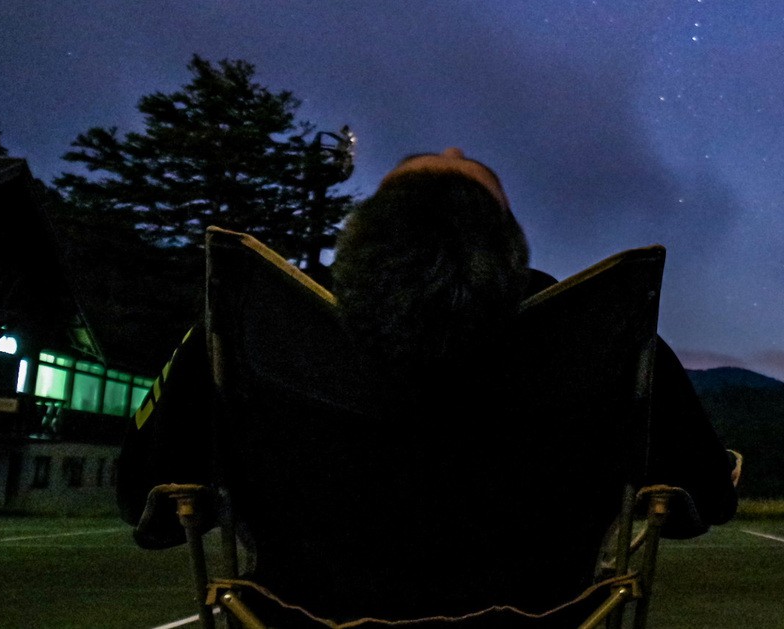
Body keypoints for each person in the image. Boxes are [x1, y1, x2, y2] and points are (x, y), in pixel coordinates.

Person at [117, 147, 737, 613]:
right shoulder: (606, 339)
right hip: (538, 620)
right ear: (508, 244)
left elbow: (142, 496)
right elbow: (704, 497)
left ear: (364, 233)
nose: (455, 152)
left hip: (304, 619)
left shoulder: (247, 330)